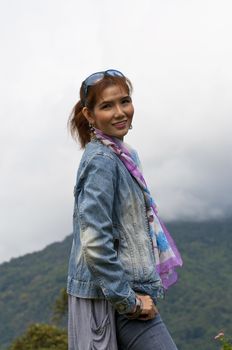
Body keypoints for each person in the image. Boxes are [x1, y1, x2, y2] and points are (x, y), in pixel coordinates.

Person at [67, 69, 183, 350]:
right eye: (107, 106)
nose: (120, 112)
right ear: (89, 115)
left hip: (126, 292)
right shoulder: (101, 161)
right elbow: (94, 242)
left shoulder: (124, 155)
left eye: (125, 101)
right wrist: (129, 302)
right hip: (110, 299)